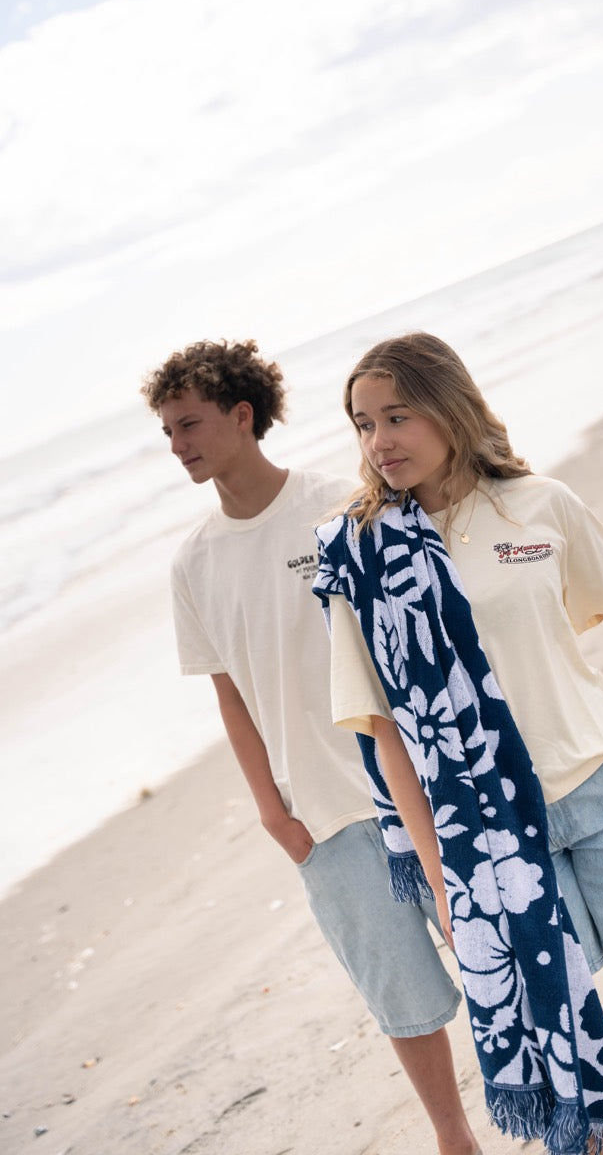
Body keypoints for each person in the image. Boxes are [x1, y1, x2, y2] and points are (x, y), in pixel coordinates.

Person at [313, 332, 603, 1155]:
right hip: (490, 837)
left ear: (449, 408)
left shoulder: (539, 504)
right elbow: (383, 732)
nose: (379, 441)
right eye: (363, 424)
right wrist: (441, 873)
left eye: (396, 416)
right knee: (555, 1051)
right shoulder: (360, 555)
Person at [139, 338, 484, 1155]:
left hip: (417, 785)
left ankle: (553, 1103)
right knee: (399, 995)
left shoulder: (342, 502)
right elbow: (230, 694)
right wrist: (272, 812)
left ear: (242, 414)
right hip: (321, 819)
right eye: (167, 433)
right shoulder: (193, 561)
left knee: (492, 955)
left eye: (189, 424)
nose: (179, 445)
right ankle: (454, 1140)